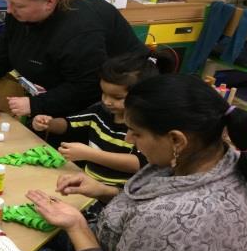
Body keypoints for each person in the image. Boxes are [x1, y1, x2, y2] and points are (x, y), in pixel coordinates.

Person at [21, 74, 247, 251]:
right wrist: (103, 190)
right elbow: (151, 216)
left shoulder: (173, 218)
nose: (131, 140)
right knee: (37, 230)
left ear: (176, 140)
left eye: (137, 133)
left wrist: (77, 227)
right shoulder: (215, 157)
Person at [0, 0, 147, 128]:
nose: (9, 10)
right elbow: (8, 50)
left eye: (18, 5)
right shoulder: (20, 13)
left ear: (49, 2)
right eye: (7, 1)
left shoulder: (80, 30)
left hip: (113, 105)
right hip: (61, 92)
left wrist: (35, 105)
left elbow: (87, 87)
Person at [31, 51, 174, 186]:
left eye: (117, 98)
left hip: (119, 195)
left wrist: (89, 154)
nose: (107, 101)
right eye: (104, 94)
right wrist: (48, 123)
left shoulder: (145, 128)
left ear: (143, 95)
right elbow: (69, 124)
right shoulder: (100, 111)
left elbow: (138, 164)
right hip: (88, 184)